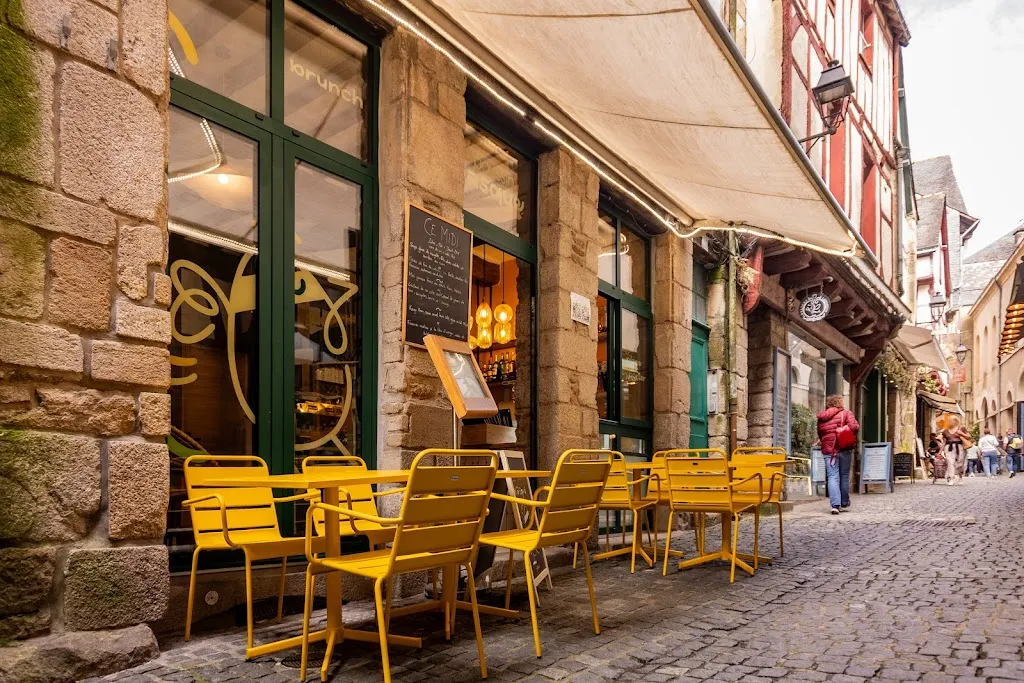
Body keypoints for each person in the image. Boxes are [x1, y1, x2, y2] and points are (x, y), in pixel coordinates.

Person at [817, 395, 859, 514]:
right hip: (844, 448)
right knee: (844, 475)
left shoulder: (822, 417)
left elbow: (820, 433)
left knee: (832, 476)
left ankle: (835, 505)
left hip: (828, 450)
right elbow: (855, 427)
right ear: (840, 403)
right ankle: (844, 502)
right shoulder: (846, 413)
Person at [941, 416, 970, 485]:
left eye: (950, 420)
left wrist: (961, 433)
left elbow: (969, 437)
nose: (949, 422)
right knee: (950, 462)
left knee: (960, 464)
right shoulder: (945, 431)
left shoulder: (962, 428)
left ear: (955, 421)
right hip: (948, 447)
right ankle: (951, 478)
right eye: (948, 421)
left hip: (960, 448)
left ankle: (960, 477)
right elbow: (944, 442)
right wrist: (940, 452)